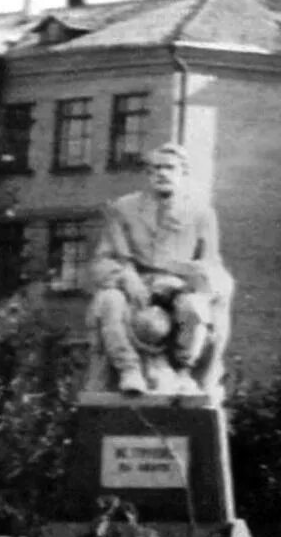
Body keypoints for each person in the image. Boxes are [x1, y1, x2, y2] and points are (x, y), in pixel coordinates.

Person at [87, 143, 233, 396]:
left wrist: (188, 278)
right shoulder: (124, 208)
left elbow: (213, 266)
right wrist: (124, 277)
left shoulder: (201, 213)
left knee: (195, 309)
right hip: (135, 287)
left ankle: (183, 371)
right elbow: (101, 262)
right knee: (109, 301)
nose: (162, 173)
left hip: (178, 287)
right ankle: (129, 369)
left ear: (183, 173)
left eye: (169, 168)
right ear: (147, 174)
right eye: (155, 169)